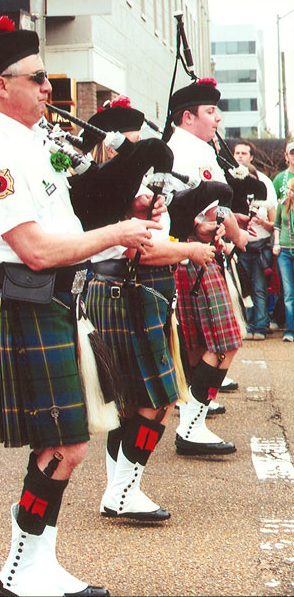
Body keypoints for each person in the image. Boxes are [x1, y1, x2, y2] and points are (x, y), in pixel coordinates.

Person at [0, 17, 162, 597]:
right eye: (39, 78)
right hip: (29, 298)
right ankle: (23, 568)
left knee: (65, 444)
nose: (51, 88)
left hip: (55, 301)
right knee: (65, 445)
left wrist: (127, 196)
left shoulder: (30, 140)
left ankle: (33, 565)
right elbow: (34, 248)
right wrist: (116, 232)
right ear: (2, 85)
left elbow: (73, 208)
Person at [80, 97, 222, 520]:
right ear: (107, 145)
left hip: (133, 291)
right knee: (153, 399)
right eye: (126, 142)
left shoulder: (129, 185)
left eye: (138, 141)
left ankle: (121, 488)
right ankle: (123, 491)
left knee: (131, 401)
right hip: (126, 288)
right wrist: (189, 250)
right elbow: (135, 251)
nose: (134, 150)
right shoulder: (103, 186)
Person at [163, 78, 250, 456]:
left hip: (189, 255)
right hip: (193, 255)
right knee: (226, 342)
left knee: (197, 347)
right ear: (188, 116)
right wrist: (239, 238)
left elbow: (219, 207)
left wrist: (233, 229)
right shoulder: (189, 151)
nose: (218, 118)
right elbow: (212, 209)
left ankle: (191, 418)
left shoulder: (190, 147)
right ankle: (191, 425)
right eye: (210, 111)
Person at [233, 140, 276, 340]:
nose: (240, 156)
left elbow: (274, 220)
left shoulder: (265, 183)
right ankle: (247, 326)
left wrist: (260, 221)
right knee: (243, 287)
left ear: (251, 157)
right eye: (237, 152)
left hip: (260, 245)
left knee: (259, 287)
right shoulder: (230, 180)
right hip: (239, 243)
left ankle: (259, 326)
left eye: (244, 153)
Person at [273, 176, 294, 342]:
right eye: (289, 189)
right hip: (285, 250)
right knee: (288, 293)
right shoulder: (283, 204)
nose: (289, 192)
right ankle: (289, 330)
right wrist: (276, 243)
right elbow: (277, 225)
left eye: (292, 190)